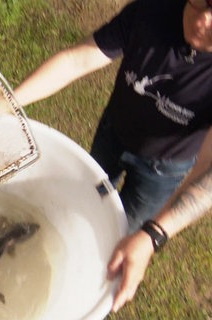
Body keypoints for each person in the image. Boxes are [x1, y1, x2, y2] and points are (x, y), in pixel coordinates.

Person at [13, 0, 211, 312]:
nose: (203, 21)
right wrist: (10, 102)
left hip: (162, 171)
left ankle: (85, 275)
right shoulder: (153, 10)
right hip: (114, 134)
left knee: (119, 234)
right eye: (203, 3)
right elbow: (77, 61)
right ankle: (49, 239)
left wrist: (153, 235)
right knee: (83, 197)